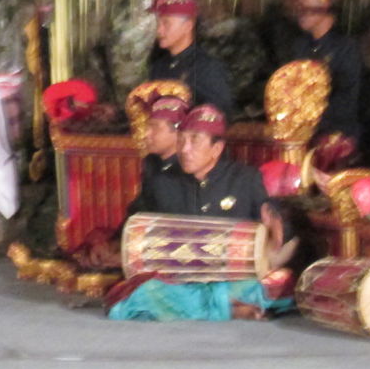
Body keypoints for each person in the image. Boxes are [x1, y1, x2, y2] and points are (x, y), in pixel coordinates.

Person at [110, 105, 296, 322]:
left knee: (282, 282)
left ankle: (212, 307)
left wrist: (279, 229)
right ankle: (230, 309)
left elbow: (273, 216)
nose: (185, 149)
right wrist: (115, 246)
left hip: (233, 279)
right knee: (140, 292)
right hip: (181, 282)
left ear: (216, 148)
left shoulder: (245, 178)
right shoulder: (161, 183)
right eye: (181, 140)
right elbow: (134, 224)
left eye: (194, 140)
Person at [287, 0, 361, 169]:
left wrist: (316, 118)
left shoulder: (345, 47)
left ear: (323, 7)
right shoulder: (300, 46)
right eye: (298, 8)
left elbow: (348, 97)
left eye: (306, 8)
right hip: (305, 135)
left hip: (336, 135)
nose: (300, 15)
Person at [148, 0, 233, 117]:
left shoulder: (207, 68)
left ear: (188, 26)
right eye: (158, 24)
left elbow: (219, 116)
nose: (159, 30)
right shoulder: (159, 66)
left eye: (166, 23)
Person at [125, 95, 188, 217]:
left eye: (154, 127)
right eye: (147, 127)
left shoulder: (188, 169)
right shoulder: (152, 163)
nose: (146, 134)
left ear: (178, 132)